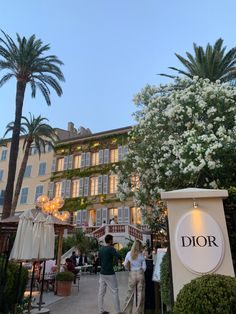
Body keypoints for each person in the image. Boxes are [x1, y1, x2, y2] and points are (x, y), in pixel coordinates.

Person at [98, 234, 122, 314]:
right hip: (110, 273)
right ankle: (118, 311)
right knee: (115, 291)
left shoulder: (101, 249)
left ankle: (101, 310)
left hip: (102, 273)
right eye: (112, 239)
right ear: (110, 240)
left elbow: (99, 261)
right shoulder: (111, 249)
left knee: (101, 292)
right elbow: (118, 256)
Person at [123, 240, 146, 314]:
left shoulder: (129, 254)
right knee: (140, 294)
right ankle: (138, 312)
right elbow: (144, 267)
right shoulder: (141, 255)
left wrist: (129, 269)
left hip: (132, 273)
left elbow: (125, 265)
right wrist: (141, 271)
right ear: (139, 247)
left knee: (130, 293)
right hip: (140, 273)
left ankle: (127, 311)